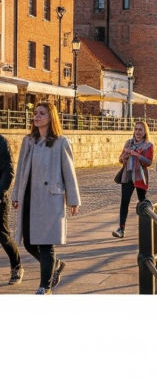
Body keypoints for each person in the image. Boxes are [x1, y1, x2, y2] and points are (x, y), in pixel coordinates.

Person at [11, 103, 81, 294]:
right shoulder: (28, 141)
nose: (37, 116)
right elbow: (21, 171)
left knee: (45, 243)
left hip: (50, 199)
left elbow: (69, 172)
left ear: (51, 117)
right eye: (35, 113)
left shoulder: (61, 142)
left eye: (42, 114)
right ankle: (55, 265)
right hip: (29, 197)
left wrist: (73, 200)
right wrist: (16, 194)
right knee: (28, 242)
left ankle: (45, 287)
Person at [112, 121, 154, 238]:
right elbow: (120, 159)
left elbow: (149, 162)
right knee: (124, 202)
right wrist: (123, 157)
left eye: (140, 130)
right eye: (136, 129)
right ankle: (121, 229)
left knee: (142, 202)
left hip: (140, 176)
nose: (138, 132)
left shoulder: (148, 145)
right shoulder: (128, 143)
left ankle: (147, 228)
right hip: (128, 175)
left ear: (145, 132)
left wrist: (136, 154)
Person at [0, 132, 22, 285]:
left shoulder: (2, 142)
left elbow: (9, 171)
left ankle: (17, 266)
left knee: (3, 235)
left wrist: (1, 192)